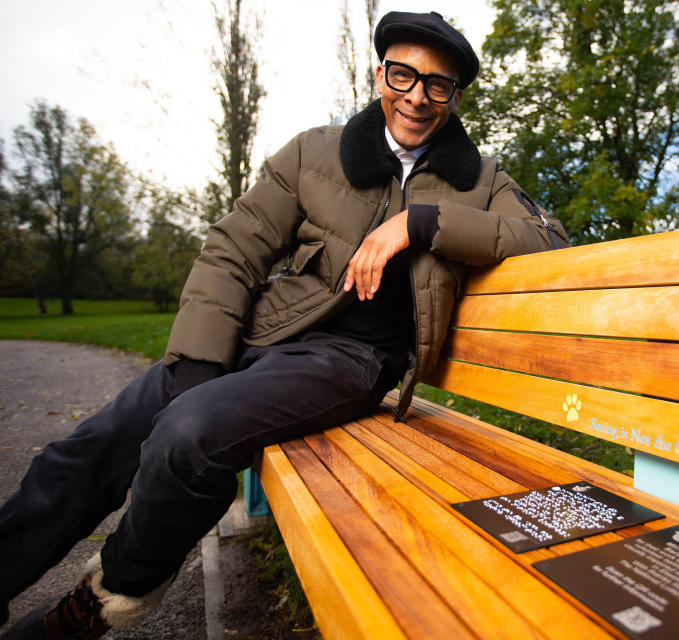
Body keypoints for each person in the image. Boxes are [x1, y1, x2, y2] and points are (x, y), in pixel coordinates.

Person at [0, 10, 568, 640]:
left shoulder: (482, 181)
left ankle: (108, 597)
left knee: (189, 436)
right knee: (88, 448)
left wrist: (425, 222)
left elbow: (547, 242)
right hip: (260, 332)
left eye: (438, 85)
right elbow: (234, 248)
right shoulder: (314, 152)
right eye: (403, 74)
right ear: (380, 73)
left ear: (455, 97)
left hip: (347, 360)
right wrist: (197, 364)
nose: (416, 97)